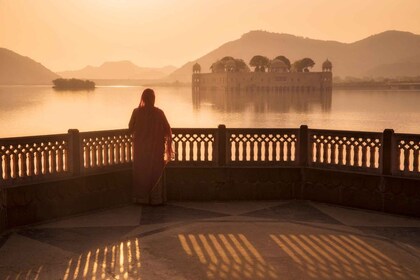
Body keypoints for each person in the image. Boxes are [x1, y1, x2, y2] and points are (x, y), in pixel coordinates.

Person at [129, 88, 172, 205]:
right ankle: (156, 199)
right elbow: (167, 128)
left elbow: (130, 128)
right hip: (155, 150)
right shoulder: (159, 113)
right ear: (153, 99)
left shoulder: (136, 112)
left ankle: (141, 199)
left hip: (141, 151)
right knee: (155, 173)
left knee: (141, 173)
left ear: (143, 98)